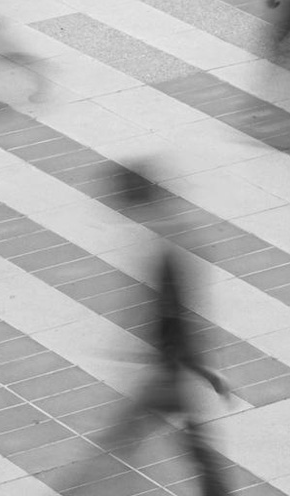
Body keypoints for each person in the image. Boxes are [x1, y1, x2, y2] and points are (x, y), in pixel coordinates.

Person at [80, 166, 230, 496]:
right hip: (171, 365)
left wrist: (194, 365)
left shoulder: (164, 242)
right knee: (192, 445)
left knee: (123, 440)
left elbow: (173, 313)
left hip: (168, 368)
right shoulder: (168, 231)